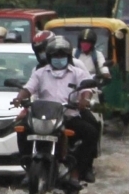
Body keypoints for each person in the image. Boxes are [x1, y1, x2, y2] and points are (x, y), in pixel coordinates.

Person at [14, 34, 101, 183]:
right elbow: (28, 88)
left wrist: (84, 100)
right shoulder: (40, 73)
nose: (58, 58)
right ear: (49, 56)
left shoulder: (77, 72)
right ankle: (29, 168)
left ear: (68, 57)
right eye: (55, 55)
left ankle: (78, 170)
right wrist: (19, 98)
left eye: (62, 55)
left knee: (91, 132)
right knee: (21, 129)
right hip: (43, 117)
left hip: (68, 116)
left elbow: (86, 89)